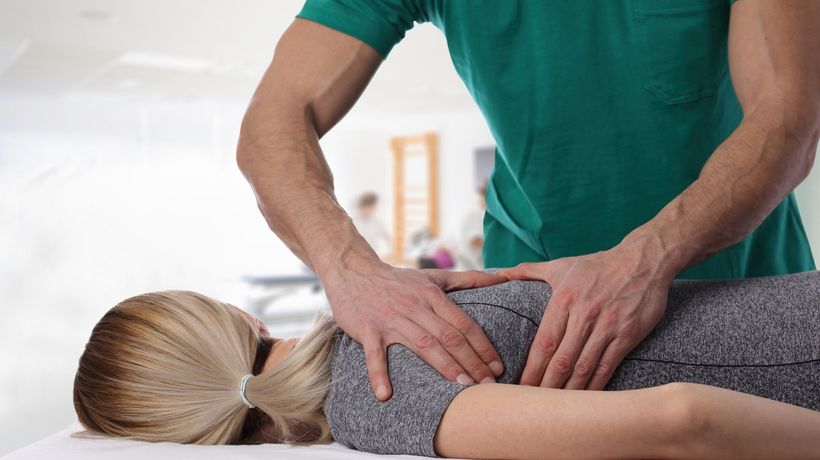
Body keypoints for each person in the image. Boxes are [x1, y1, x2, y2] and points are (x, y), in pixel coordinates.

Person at [236, 1, 820, 399]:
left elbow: (788, 118)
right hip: (527, 307)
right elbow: (273, 123)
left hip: (744, 284)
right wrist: (351, 272)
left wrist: (649, 256)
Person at [74, 270, 819, 458]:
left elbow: (684, 421)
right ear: (232, 319)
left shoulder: (370, 389)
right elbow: (678, 420)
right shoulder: (376, 346)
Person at [351, 192, 390, 257]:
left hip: (373, 256)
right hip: (357, 256)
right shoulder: (353, 222)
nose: (369, 210)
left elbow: (387, 238)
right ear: (362, 207)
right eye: (367, 207)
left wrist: (391, 253)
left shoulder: (377, 223)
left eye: (372, 208)